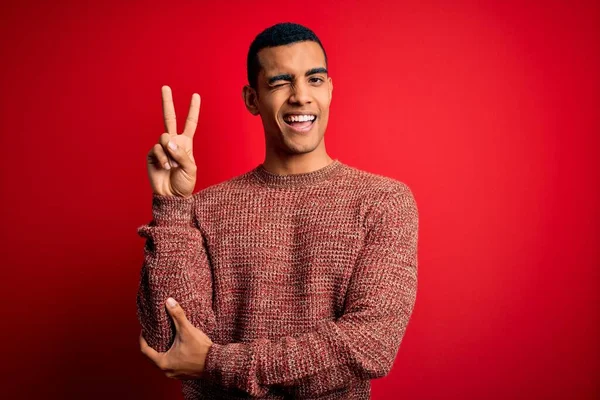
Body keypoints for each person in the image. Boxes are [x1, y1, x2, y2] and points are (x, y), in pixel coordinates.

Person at [137, 22, 419, 399]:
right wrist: (172, 206)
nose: (301, 96)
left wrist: (216, 363)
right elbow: (170, 344)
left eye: (314, 80)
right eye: (281, 82)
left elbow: (369, 344)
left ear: (330, 89)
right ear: (252, 99)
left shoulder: (382, 201)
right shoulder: (203, 208)